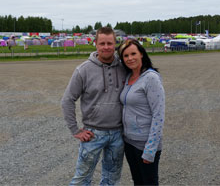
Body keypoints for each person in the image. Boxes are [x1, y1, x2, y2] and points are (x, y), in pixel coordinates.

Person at [61, 27, 127, 185]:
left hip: (118, 134)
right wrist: (75, 130)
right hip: (93, 134)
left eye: (110, 43)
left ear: (115, 44)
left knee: (112, 178)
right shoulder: (83, 70)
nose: (106, 47)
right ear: (95, 44)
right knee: (82, 178)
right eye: (102, 43)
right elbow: (67, 100)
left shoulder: (124, 67)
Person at [118, 39, 165, 186]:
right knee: (138, 182)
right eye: (125, 56)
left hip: (145, 144)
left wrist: (150, 149)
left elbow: (158, 115)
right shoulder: (129, 77)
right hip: (129, 142)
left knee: (149, 183)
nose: (130, 58)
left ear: (142, 54)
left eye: (133, 54)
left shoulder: (151, 78)